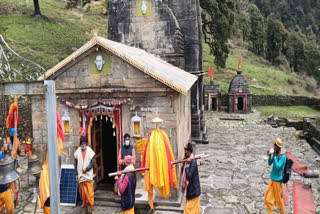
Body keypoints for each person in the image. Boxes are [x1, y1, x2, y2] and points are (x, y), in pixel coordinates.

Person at [264, 138, 287, 214]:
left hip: (278, 182)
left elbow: (277, 167)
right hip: (272, 180)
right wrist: (270, 156)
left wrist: (274, 157)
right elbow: (270, 163)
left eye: (275, 146)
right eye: (273, 145)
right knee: (268, 200)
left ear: (278, 147)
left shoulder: (283, 156)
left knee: (280, 202)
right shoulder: (275, 154)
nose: (273, 147)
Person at [74, 135, 95, 214]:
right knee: (83, 195)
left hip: (88, 176)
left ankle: (92, 209)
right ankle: (85, 209)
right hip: (81, 176)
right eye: (81, 144)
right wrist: (76, 173)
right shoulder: (77, 152)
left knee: (90, 194)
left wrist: (87, 169)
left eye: (84, 143)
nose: (83, 145)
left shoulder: (90, 151)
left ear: (86, 143)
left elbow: (93, 162)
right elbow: (75, 164)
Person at [181, 143, 200, 214]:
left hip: (193, 191)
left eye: (186, 151)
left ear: (189, 151)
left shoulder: (193, 162)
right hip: (190, 190)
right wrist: (184, 162)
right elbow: (182, 171)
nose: (185, 152)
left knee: (189, 211)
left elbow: (188, 176)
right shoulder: (188, 160)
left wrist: (188, 164)